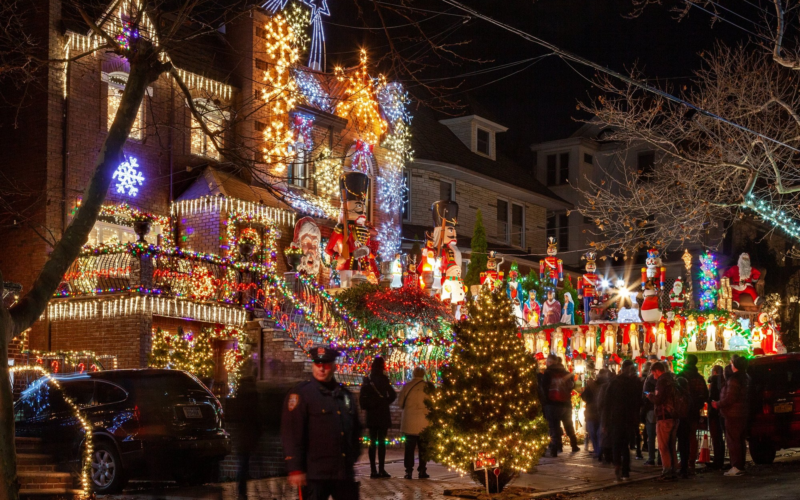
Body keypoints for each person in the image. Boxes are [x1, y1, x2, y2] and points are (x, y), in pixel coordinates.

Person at [281, 347, 361, 500]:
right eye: (318, 363)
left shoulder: (345, 395)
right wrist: (295, 468)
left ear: (334, 365)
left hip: (342, 472)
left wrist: (353, 456)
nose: (322, 368)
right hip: (315, 474)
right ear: (313, 365)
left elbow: (355, 428)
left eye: (326, 364)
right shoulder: (302, 394)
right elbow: (292, 432)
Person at [602, 360, 643, 481]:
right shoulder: (634, 383)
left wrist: (605, 421)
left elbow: (606, 403)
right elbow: (639, 402)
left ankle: (618, 466)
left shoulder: (615, 382)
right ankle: (624, 471)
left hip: (617, 418)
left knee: (617, 444)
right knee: (625, 445)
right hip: (628, 418)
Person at [360, 357, 397, 478]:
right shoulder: (383, 379)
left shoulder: (367, 379)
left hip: (371, 415)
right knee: (381, 442)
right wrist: (385, 402)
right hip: (382, 414)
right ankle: (381, 469)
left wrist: (370, 404)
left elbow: (362, 397)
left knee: (372, 442)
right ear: (382, 366)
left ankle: (373, 470)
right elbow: (393, 394)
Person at [713, 357, 749, 476]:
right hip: (742, 412)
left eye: (732, 363)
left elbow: (730, 398)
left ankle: (736, 466)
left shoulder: (734, 380)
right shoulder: (746, 378)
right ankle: (740, 465)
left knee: (733, 440)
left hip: (733, 414)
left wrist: (717, 404)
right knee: (739, 440)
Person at [397, 367, 433, 480]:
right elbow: (433, 403)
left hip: (409, 422)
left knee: (409, 449)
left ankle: (408, 471)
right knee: (423, 448)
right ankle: (422, 470)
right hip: (424, 422)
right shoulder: (428, 387)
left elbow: (400, 403)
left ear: (413, 374)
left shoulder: (406, 386)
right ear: (423, 374)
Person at [677, 354, 710, 477]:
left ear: (686, 362)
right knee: (692, 434)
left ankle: (684, 460)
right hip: (695, 409)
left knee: (683, 436)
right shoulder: (699, 377)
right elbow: (705, 394)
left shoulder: (682, 375)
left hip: (684, 409)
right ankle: (691, 460)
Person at [540, 355, 579, 457]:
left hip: (552, 404)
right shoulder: (566, 373)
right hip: (566, 403)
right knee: (568, 424)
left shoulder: (548, 373)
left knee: (554, 426)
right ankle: (574, 444)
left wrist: (545, 402)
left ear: (551, 362)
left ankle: (554, 449)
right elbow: (572, 386)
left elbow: (543, 388)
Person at [648, 362, 678, 480]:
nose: (653, 376)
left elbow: (658, 399)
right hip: (674, 416)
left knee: (663, 446)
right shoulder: (672, 379)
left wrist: (650, 396)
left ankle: (667, 471)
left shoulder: (662, 381)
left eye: (653, 373)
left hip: (664, 416)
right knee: (671, 445)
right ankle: (674, 469)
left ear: (657, 371)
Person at [233, 367, 261, 498]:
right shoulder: (253, 393)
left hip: (242, 435)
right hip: (250, 434)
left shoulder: (240, 394)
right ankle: (242, 490)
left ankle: (241, 490)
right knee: (245, 462)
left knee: (243, 462)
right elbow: (256, 414)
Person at [581, 368, 607, 458]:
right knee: (599, 433)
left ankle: (598, 451)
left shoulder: (593, 385)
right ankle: (599, 450)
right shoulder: (608, 385)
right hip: (601, 412)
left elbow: (584, 396)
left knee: (594, 433)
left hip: (592, 412)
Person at [707, 365, 726, 470]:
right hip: (722, 412)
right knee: (721, 438)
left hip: (714, 412)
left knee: (716, 437)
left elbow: (710, 397)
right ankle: (721, 459)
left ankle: (718, 461)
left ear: (714, 372)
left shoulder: (713, 382)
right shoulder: (725, 382)